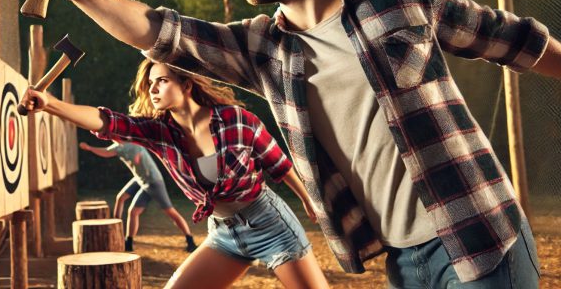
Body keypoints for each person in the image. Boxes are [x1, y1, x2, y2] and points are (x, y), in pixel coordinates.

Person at [32, 0, 561, 288]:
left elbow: (516, 40)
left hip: (479, 232)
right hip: (403, 258)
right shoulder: (261, 48)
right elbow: (159, 33)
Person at [22, 59, 330, 288]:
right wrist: (50, 104)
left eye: (162, 81)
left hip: (270, 225)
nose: (153, 89)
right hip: (224, 234)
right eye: (150, 84)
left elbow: (279, 163)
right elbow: (106, 122)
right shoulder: (159, 133)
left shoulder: (237, 119)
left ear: (186, 84)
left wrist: (307, 200)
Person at [79, 139, 197, 252]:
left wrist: (138, 157)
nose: (109, 137)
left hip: (153, 182)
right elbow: (106, 152)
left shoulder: (132, 144)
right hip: (141, 180)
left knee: (171, 212)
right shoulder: (118, 147)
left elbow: (139, 151)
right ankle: (126, 241)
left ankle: (190, 241)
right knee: (128, 207)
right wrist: (89, 148)